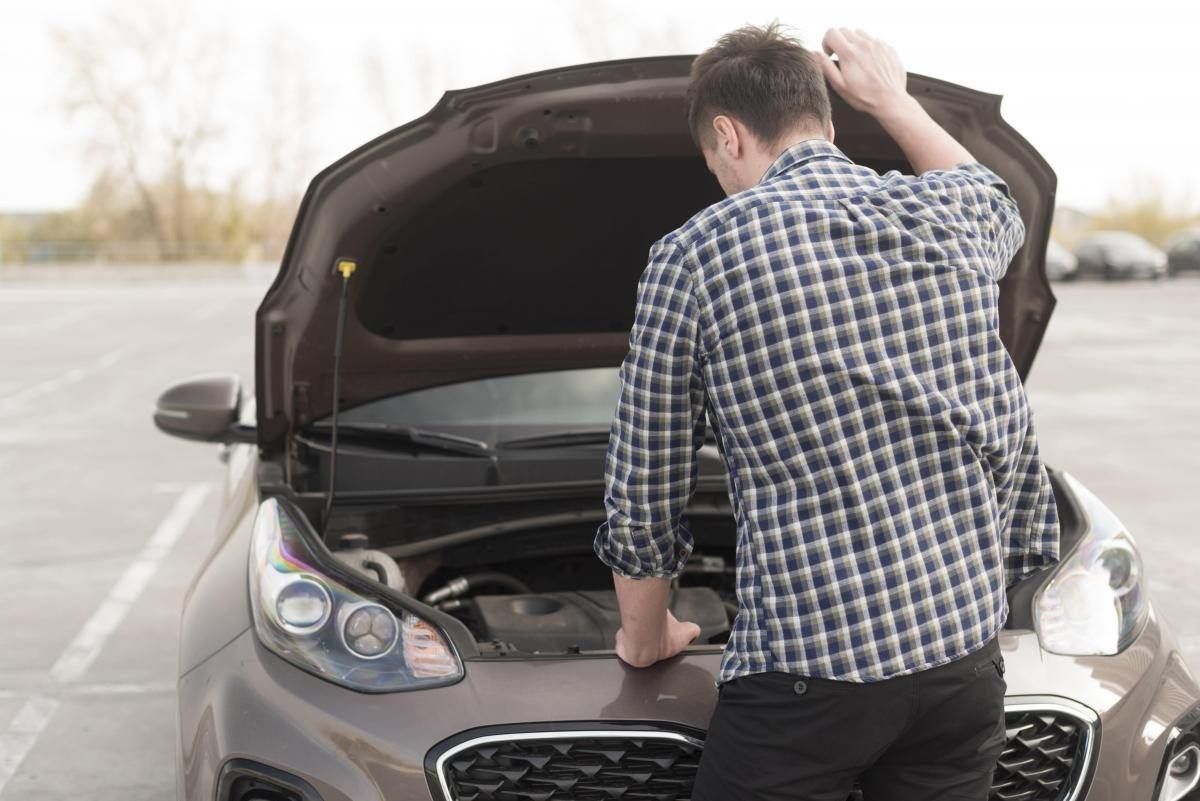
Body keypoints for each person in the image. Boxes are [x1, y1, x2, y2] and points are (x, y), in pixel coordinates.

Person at [591, 23, 1061, 801]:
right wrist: (894, 99)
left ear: (726, 134)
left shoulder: (697, 253)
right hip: (963, 665)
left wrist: (648, 634)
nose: (720, 179)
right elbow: (995, 197)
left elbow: (646, 475)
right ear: (829, 122)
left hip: (809, 680)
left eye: (715, 163)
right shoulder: (942, 214)